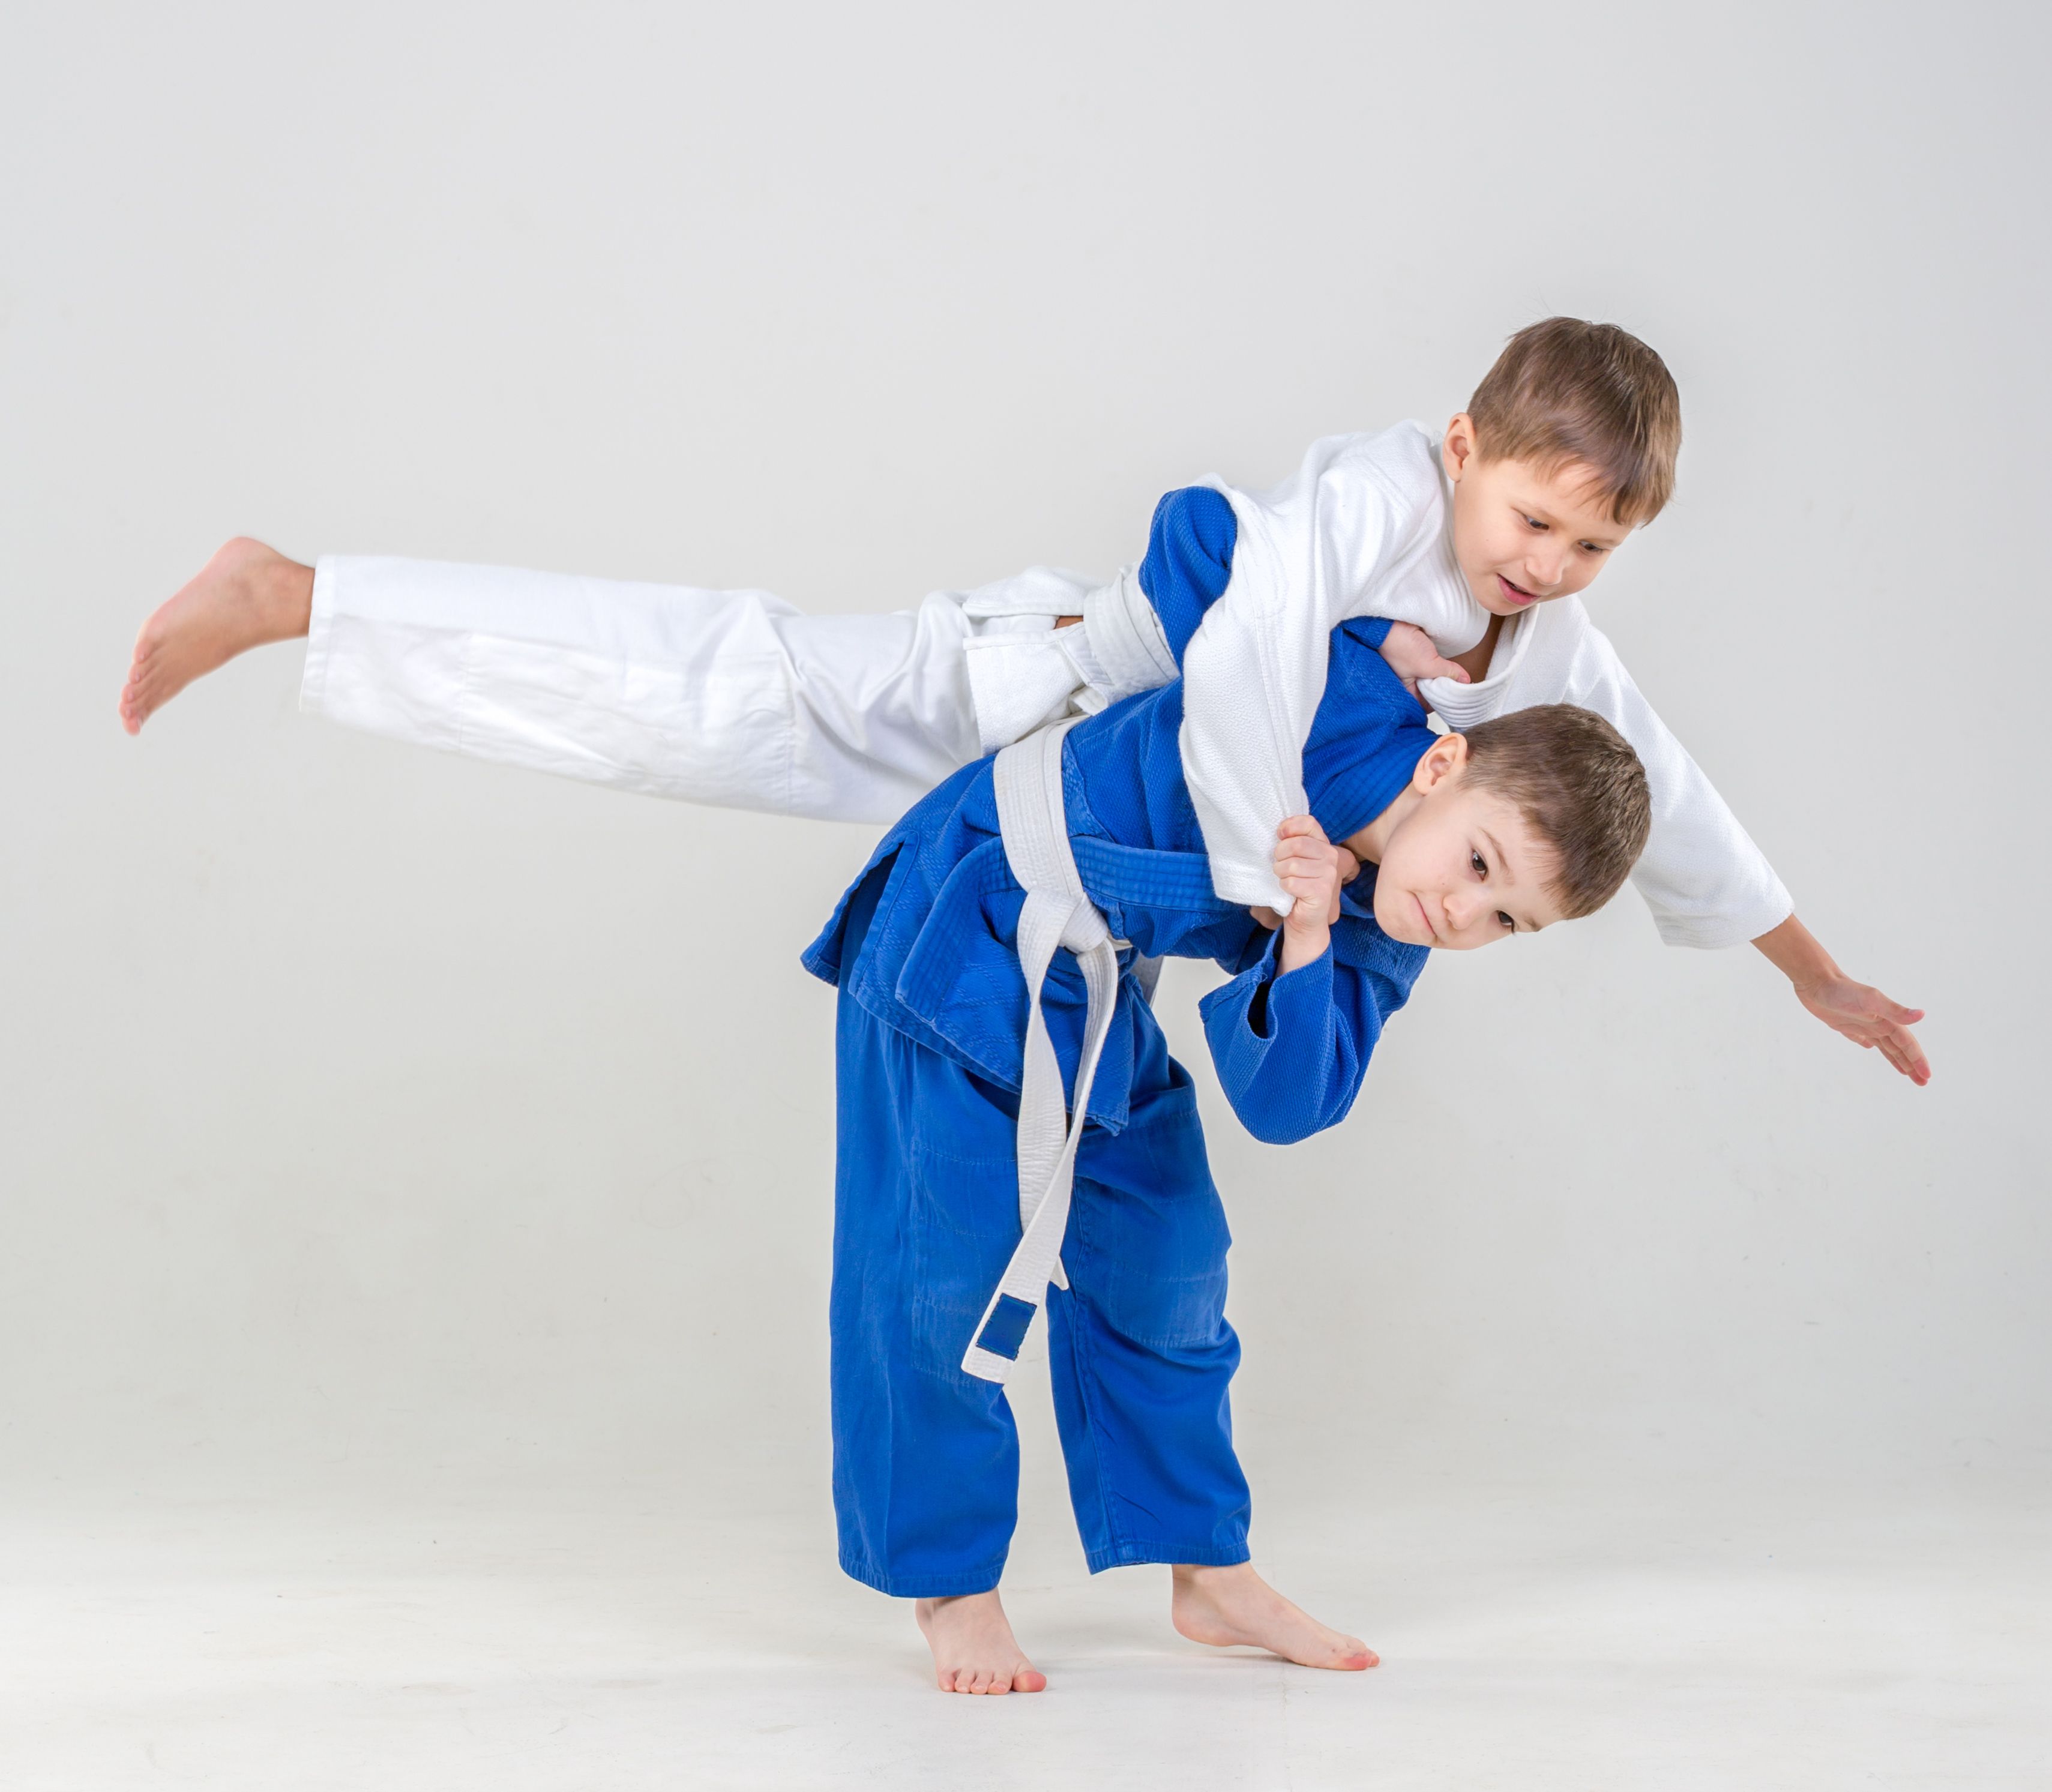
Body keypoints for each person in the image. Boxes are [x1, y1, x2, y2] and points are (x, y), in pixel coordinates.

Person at [116, 318, 1928, 1083]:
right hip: (1035, 681)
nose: (1542, 568)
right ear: (1464, 448)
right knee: (723, 687)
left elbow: (1662, 789)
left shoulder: (1538, 649)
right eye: (1530, 519)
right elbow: (1239, 656)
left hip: (1076, 797)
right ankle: (299, 596)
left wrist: (1806, 969)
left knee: (711, 717)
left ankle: (312, 604)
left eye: (1588, 553)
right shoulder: (1375, 499)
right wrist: (1272, 864)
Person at [804, 482, 1650, 1691]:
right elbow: (1200, 531)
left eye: (1503, 919)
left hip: (1092, 987)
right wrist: (1367, 626)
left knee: (1170, 1251)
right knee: (935, 1267)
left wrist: (1309, 932)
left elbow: (1290, 1101)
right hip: (962, 918)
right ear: (1444, 758)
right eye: (1478, 861)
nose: (1462, 909)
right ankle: (951, 1583)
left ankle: (1204, 1566)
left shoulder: (1385, 925)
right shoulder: (1346, 693)